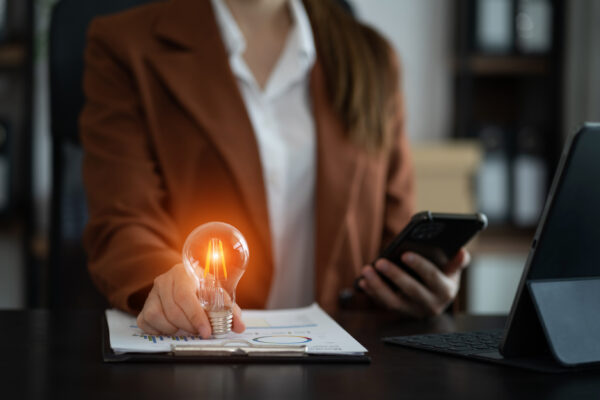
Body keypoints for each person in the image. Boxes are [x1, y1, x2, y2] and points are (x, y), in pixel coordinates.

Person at [80, 0, 469, 338]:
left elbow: (393, 235)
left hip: (341, 363)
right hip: (205, 349)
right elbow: (123, 218)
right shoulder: (125, 46)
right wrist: (165, 283)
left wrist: (420, 284)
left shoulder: (373, 59)